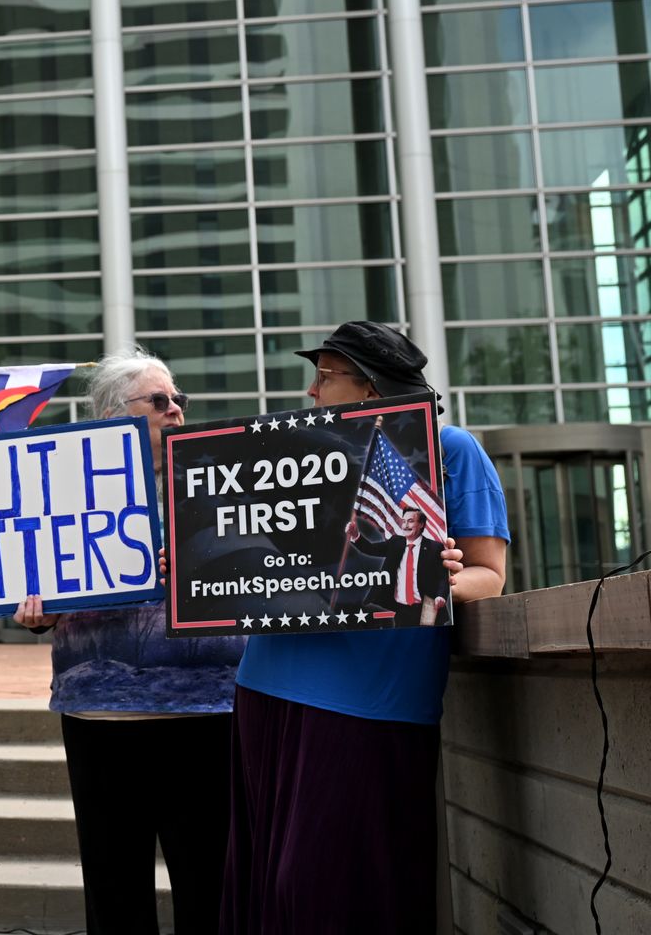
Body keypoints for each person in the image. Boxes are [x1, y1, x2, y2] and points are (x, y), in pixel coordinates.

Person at [221, 320, 507, 933]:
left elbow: (489, 575)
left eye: (324, 377)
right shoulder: (289, 454)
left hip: (372, 699)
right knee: (267, 881)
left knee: (331, 885)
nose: (310, 392)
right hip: (266, 682)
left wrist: (432, 575)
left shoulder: (452, 450)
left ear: (372, 391)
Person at [11, 349, 245, 935]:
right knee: (115, 889)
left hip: (207, 708)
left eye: (179, 401)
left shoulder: (222, 481)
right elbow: (33, 580)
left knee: (211, 883)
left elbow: (262, 573)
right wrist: (35, 610)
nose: (176, 412)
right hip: (100, 714)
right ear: (114, 416)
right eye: (160, 402)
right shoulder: (60, 491)